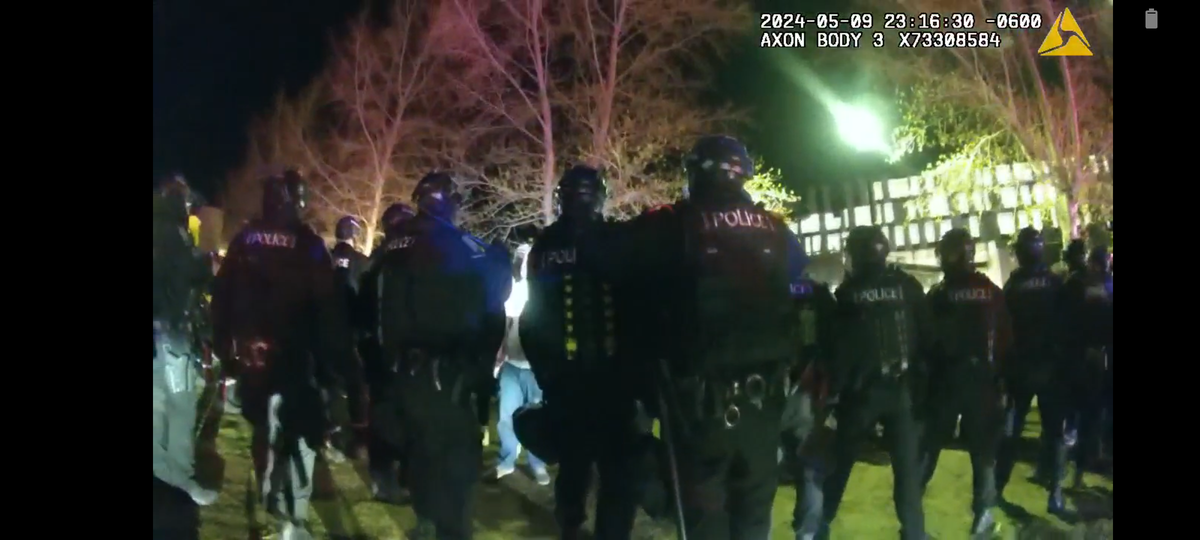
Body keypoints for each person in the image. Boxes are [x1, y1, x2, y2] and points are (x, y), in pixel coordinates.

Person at [611, 135, 808, 539]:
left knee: (704, 521)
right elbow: (792, 276)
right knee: (754, 516)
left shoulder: (668, 223)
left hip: (698, 407)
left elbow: (618, 268)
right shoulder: (776, 229)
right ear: (743, 176)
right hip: (764, 403)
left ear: (694, 174)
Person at [211, 169, 363, 540]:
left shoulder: (244, 240)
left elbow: (221, 298)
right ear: (299, 201)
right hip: (297, 361)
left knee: (264, 432)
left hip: (253, 361)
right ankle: (292, 519)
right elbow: (328, 312)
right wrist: (338, 366)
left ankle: (269, 502)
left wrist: (223, 349)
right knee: (299, 438)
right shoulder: (309, 245)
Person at [373, 172, 510, 540]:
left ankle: (426, 522)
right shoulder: (460, 245)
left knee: (419, 452)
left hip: (402, 374)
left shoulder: (390, 247)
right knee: (456, 463)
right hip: (449, 377)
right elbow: (494, 296)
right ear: (450, 203)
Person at [517, 165, 640, 539]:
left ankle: (571, 524)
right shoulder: (617, 238)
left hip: (568, 381)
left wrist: (546, 373)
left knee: (575, 462)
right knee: (616, 468)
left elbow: (533, 319)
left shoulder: (545, 246)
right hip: (613, 380)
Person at [820, 225, 930, 540]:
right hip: (901, 391)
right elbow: (927, 336)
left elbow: (838, 349)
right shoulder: (907, 286)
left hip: (860, 395)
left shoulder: (848, 294)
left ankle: (819, 526)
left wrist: (834, 394)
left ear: (855, 255)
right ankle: (914, 533)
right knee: (907, 475)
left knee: (839, 467)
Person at [921, 228, 1012, 537]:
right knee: (983, 453)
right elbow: (1006, 338)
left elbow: (925, 340)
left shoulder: (939, 294)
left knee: (929, 447)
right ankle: (982, 517)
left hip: (945, 383)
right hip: (983, 382)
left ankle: (911, 511)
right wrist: (1002, 378)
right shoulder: (991, 291)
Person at [153, 173, 219, 507]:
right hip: (172, 332)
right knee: (181, 403)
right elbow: (190, 276)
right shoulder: (176, 236)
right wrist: (204, 263)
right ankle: (179, 472)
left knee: (155, 400)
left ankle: (158, 464)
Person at [996, 227, 1068, 512]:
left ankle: (997, 488)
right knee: (1055, 433)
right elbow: (1067, 324)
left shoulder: (1013, 286)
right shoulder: (1055, 283)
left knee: (1012, 433)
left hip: (1021, 370)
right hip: (1052, 368)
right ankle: (1056, 494)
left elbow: (1003, 329)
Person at [356, 202, 418, 502]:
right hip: (405, 357)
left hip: (378, 356)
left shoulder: (377, 259)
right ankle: (399, 478)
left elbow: (361, 307)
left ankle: (384, 478)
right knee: (404, 419)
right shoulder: (413, 255)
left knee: (382, 418)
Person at [779, 274, 837, 540]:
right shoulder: (819, 295)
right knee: (811, 469)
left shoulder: (761, 288)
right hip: (808, 393)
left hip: (769, 392)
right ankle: (808, 533)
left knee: (758, 477)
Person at [494, 254, 550, 484]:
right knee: (506, 414)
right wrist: (500, 356)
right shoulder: (515, 290)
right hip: (511, 365)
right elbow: (506, 324)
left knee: (538, 416)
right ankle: (507, 459)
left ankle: (538, 463)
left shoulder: (544, 291)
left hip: (536, 369)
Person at [1060, 244, 1112, 488]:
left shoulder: (1078, 285)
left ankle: (1082, 467)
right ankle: (1084, 464)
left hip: (1089, 356)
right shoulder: (1095, 286)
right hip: (1094, 357)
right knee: (1091, 414)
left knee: (1089, 414)